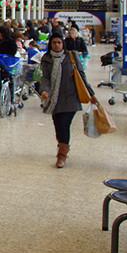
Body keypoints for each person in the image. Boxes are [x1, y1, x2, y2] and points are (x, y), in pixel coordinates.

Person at [39, 35, 97, 168]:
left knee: (64, 125)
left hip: (70, 96)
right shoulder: (47, 58)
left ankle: (61, 156)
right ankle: (62, 146)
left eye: (59, 42)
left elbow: (82, 76)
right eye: (54, 42)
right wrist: (44, 90)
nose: (56, 45)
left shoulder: (71, 57)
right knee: (58, 125)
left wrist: (91, 94)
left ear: (63, 44)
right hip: (54, 98)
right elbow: (45, 77)